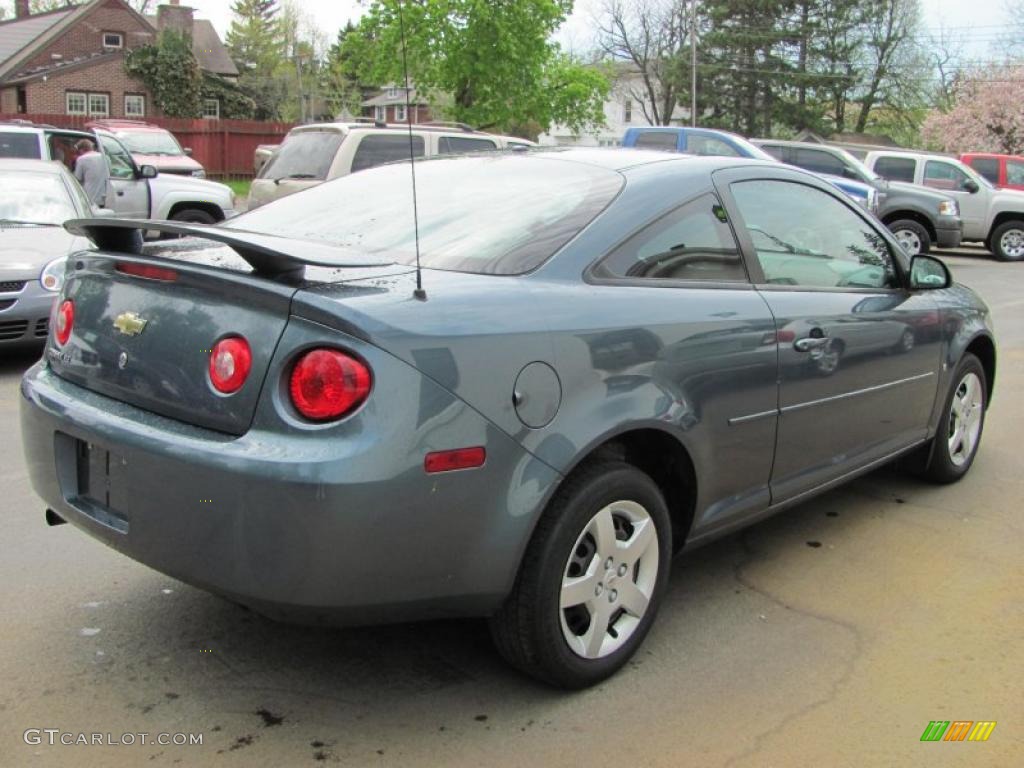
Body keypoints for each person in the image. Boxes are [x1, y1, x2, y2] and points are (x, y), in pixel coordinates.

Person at [73, 138, 109, 208]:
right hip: (104, 196)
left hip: (89, 196)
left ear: (81, 150)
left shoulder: (82, 159)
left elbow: (77, 179)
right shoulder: (105, 158)